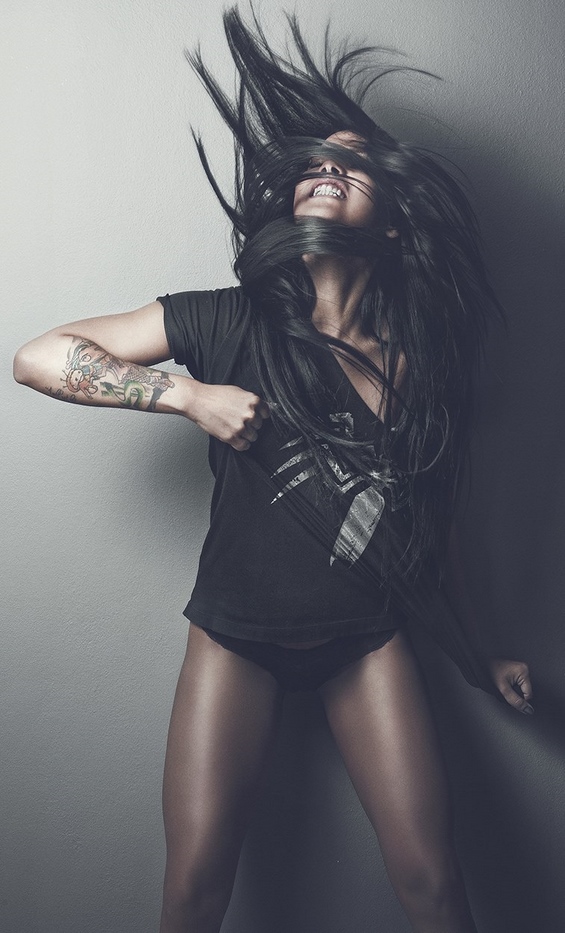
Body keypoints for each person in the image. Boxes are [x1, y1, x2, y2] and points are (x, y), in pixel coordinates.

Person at [13, 7, 533, 933]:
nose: (327, 169)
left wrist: (478, 652)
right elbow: (37, 356)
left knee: (434, 882)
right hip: (235, 638)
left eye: (354, 164)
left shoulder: (426, 367)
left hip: (368, 638)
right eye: (314, 162)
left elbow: (436, 524)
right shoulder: (229, 320)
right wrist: (183, 396)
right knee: (193, 888)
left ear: (394, 222)